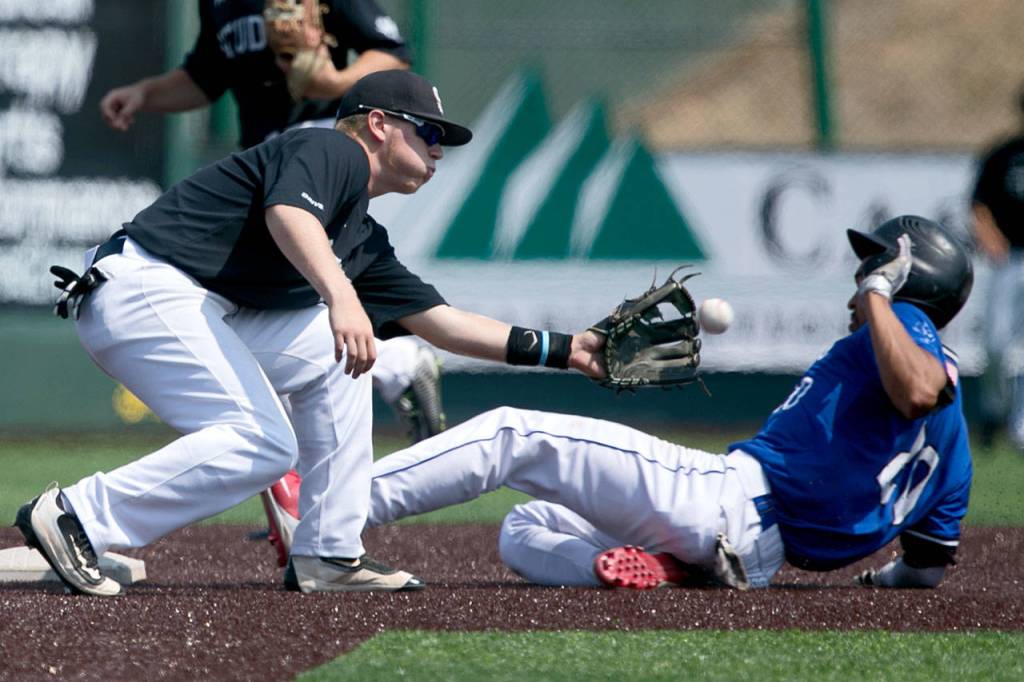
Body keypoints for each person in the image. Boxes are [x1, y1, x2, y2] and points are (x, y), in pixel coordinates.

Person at [15, 70, 605, 597]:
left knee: (340, 353)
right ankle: (77, 518)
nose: (438, 149)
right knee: (266, 442)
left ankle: (328, 550)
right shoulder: (332, 149)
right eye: (429, 132)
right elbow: (288, 214)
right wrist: (341, 295)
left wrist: (567, 350)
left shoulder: (362, 240)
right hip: (140, 287)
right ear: (378, 124)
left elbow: (444, 325)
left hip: (188, 303)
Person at [364, 215, 974, 590]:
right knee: (523, 527)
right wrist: (880, 579)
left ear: (906, 279)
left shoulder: (908, 326)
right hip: (757, 556)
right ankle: (663, 570)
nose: (859, 279)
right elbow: (924, 570)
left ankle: (331, 512)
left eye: (875, 263)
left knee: (510, 436)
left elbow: (920, 387)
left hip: (727, 499)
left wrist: (879, 294)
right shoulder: (958, 457)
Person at [97, 0, 443, 564]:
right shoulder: (219, 4)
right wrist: (146, 94)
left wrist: (334, 78)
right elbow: (204, 79)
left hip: (330, 142)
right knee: (266, 362)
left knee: (299, 346)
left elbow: (393, 60)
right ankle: (307, 518)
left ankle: (394, 365)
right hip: (271, 155)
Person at [971, 87, 1024, 450]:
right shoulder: (1003, 154)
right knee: (995, 343)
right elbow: (979, 205)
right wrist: (991, 240)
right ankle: (993, 411)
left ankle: (1021, 425)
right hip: (1008, 263)